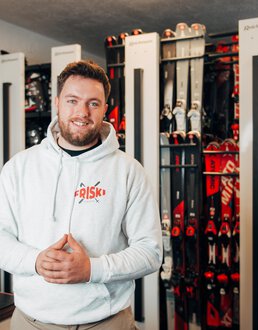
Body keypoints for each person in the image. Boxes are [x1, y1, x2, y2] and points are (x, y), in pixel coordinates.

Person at [0, 60, 162, 329]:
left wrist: (92, 270)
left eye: (93, 103)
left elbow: (150, 252)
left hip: (107, 321)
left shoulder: (128, 171)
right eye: (72, 101)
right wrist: (36, 261)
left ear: (105, 109)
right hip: (31, 321)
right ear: (57, 102)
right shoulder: (19, 167)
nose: (82, 112)